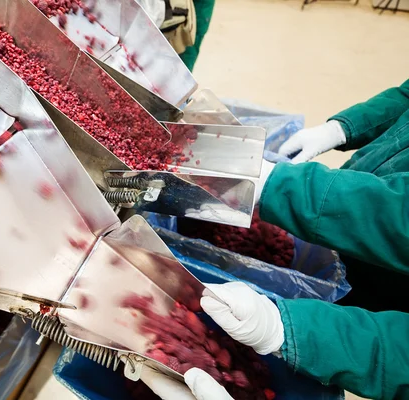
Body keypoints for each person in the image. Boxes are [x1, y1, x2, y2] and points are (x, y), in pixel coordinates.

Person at [141, 79, 409, 399]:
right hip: (350, 207)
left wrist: (289, 332)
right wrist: (343, 128)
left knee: (349, 312)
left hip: (390, 280)